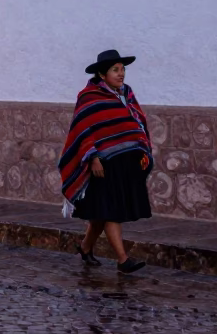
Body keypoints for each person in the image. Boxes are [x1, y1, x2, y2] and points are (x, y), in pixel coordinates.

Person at [60, 50, 153, 274]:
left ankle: (85, 248)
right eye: (115, 70)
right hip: (103, 164)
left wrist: (142, 150)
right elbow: (83, 129)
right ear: (102, 74)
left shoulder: (126, 94)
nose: (121, 74)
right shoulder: (89, 97)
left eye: (122, 69)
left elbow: (137, 123)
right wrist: (92, 157)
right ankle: (123, 260)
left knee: (102, 214)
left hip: (125, 163)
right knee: (112, 211)